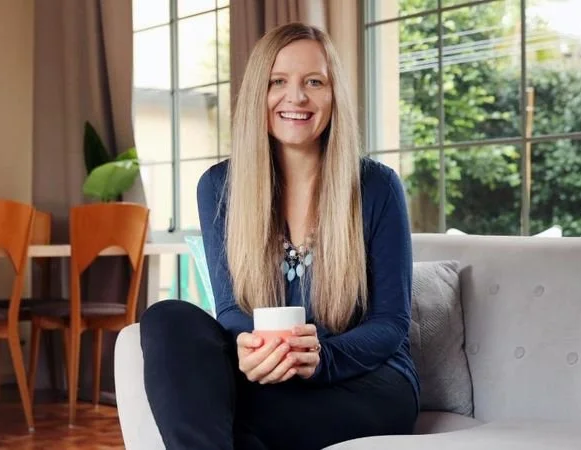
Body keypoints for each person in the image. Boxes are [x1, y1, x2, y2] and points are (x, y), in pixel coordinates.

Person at [140, 22, 419, 450]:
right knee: (167, 317)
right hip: (268, 379)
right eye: (278, 82)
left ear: (334, 94)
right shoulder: (219, 186)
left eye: (314, 82)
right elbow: (231, 308)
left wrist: (322, 358)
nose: (297, 97)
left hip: (363, 381)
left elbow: (390, 323)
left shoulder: (377, 186)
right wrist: (253, 348)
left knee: (221, 415)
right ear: (259, 92)